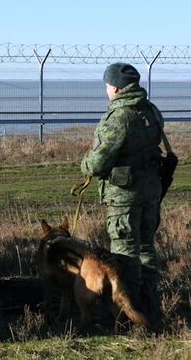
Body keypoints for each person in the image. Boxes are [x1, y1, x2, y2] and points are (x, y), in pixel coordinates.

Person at [80, 62, 164, 326]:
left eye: (107, 85)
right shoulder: (150, 111)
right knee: (146, 248)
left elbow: (97, 163)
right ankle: (151, 304)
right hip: (151, 191)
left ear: (115, 87)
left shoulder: (119, 116)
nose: (106, 90)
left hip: (124, 195)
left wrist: (84, 164)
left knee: (126, 253)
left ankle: (130, 313)